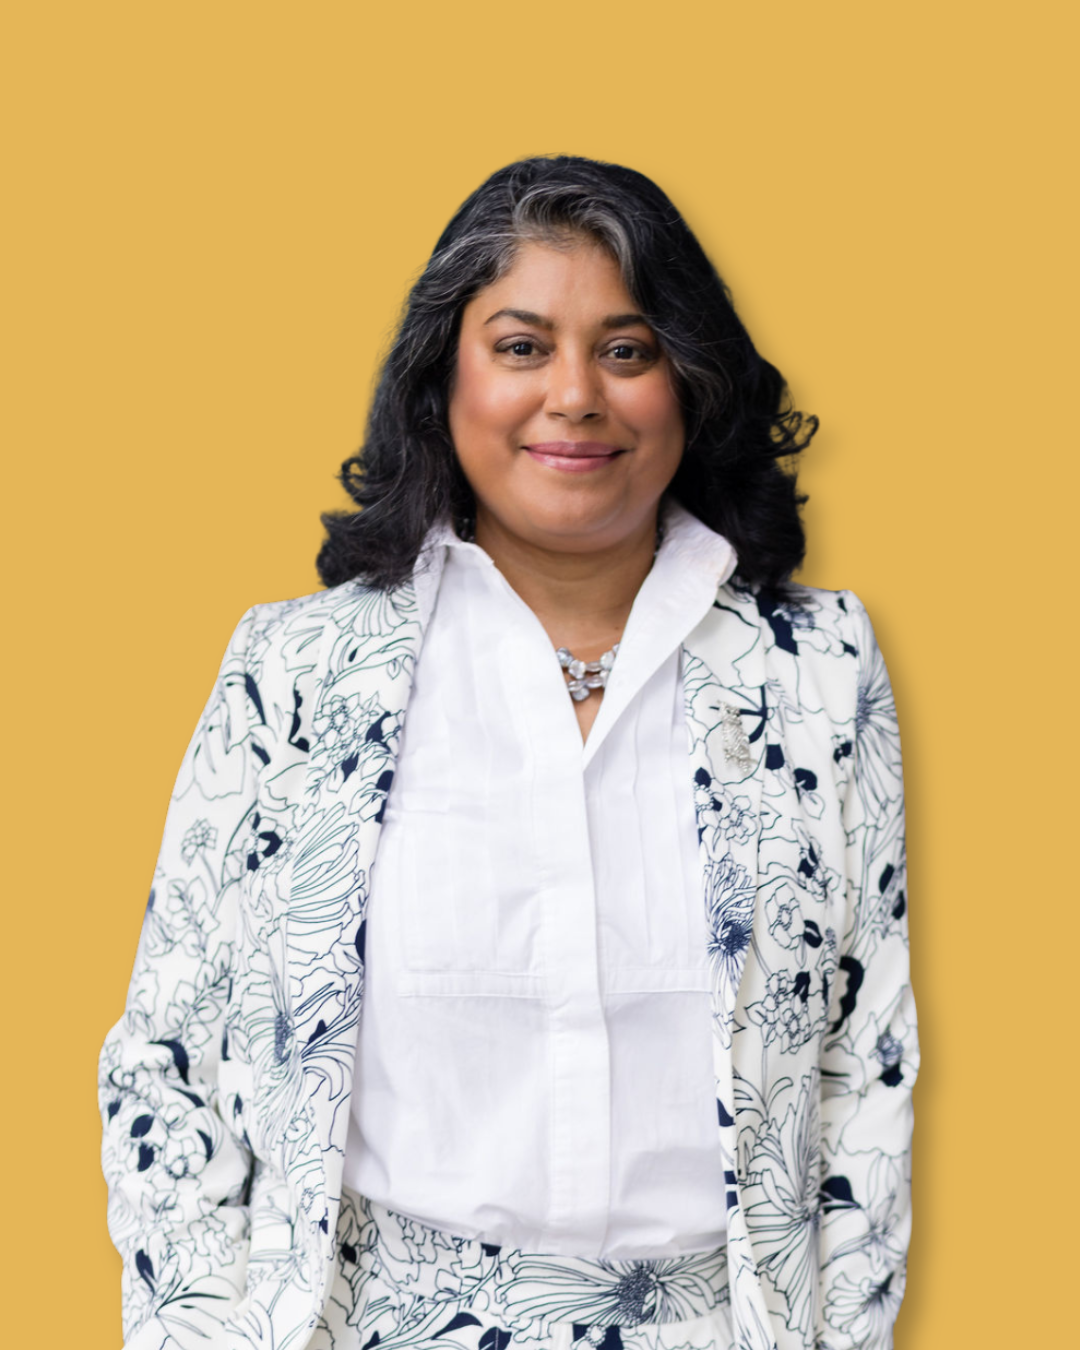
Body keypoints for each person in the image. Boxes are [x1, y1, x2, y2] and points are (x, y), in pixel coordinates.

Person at [98, 155, 917, 1350]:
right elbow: (164, 1062)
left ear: (690, 381)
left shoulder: (818, 670)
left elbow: (865, 1068)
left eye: (627, 350)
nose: (575, 396)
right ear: (443, 381)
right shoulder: (297, 674)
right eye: (522, 346)